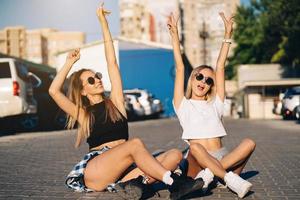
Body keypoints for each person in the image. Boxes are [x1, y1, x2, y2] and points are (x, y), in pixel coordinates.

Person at [48, 4, 204, 200]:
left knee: (173, 154)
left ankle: (135, 186)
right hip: (98, 171)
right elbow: (53, 91)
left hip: (124, 171)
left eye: (97, 76)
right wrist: (69, 63)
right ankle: (175, 183)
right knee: (135, 144)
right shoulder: (83, 114)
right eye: (90, 80)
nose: (97, 80)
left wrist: (103, 23)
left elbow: (112, 62)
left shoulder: (116, 103)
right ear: (83, 91)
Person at [167, 11, 256, 198]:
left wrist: (227, 35)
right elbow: (180, 66)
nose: (203, 82)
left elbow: (220, 66)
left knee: (250, 143)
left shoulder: (216, 104)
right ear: (192, 79)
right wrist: (174, 35)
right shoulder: (183, 104)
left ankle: (209, 176)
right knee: (195, 148)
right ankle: (228, 179)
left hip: (222, 157)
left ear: (211, 86)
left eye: (208, 80)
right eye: (199, 76)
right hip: (196, 162)